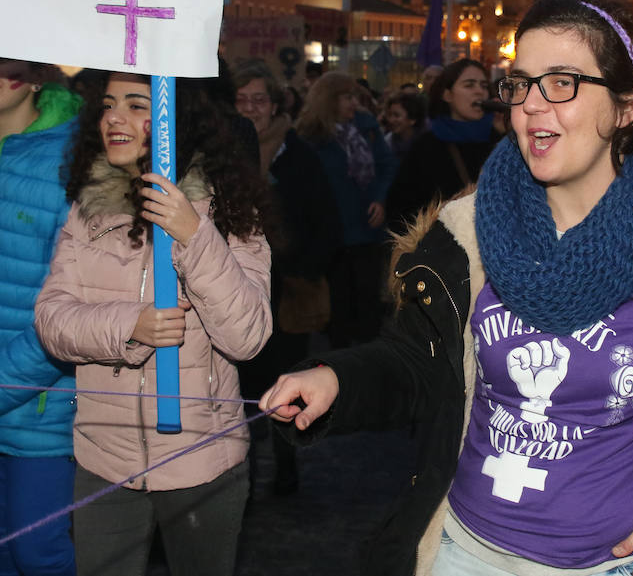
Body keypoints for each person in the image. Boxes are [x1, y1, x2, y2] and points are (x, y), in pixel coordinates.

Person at [261, 0, 633, 576]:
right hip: (464, 553)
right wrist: (336, 377)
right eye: (521, 83)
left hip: (624, 562)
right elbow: (416, 362)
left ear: (628, 106)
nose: (531, 106)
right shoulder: (469, 230)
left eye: (561, 83)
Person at [33, 71, 273, 576]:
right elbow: (51, 319)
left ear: (173, 119)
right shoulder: (89, 209)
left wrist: (193, 235)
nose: (114, 118)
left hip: (202, 463)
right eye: (108, 105)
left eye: (138, 105)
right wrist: (129, 327)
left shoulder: (228, 210)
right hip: (104, 462)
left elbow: (247, 336)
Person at [232, 59, 340, 494]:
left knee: (285, 380)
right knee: (239, 385)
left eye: (259, 99)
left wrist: (302, 268)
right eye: (241, 100)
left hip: (287, 290)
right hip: (236, 288)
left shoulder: (297, 153)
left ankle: (285, 465)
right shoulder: (223, 151)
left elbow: (325, 221)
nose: (251, 108)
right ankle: (243, 470)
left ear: (275, 104)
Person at [0, 60, 81, 576]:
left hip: (40, 410)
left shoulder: (69, 161)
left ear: (28, 76)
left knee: (37, 553)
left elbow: (76, 300)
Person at [295, 71, 395, 349]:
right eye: (347, 97)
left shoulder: (367, 126)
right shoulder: (310, 136)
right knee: (337, 309)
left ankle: (368, 369)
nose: (354, 103)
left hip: (366, 230)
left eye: (355, 96)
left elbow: (387, 166)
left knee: (368, 306)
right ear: (329, 100)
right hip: (332, 236)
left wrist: (380, 198)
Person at [385, 59, 503, 232]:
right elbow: (402, 210)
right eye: (469, 85)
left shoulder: (499, 141)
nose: (480, 92)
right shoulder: (426, 147)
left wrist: (506, 138)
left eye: (484, 85)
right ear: (447, 95)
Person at [384, 91, 426, 162]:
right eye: (390, 115)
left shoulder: (425, 144)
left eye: (397, 115)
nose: (391, 120)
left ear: (412, 119)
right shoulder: (387, 142)